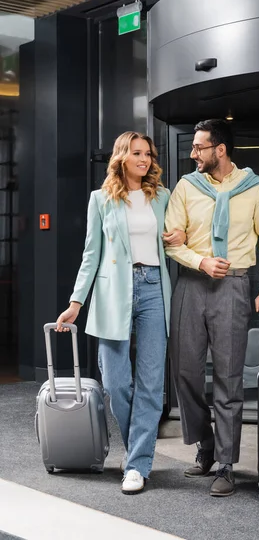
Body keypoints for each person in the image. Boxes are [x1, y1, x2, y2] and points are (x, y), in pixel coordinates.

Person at [55, 131, 185, 495]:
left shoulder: (162, 196)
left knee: (150, 382)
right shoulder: (101, 199)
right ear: (122, 157)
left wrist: (179, 239)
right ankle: (138, 455)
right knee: (115, 383)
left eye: (148, 154)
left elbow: (178, 236)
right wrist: (75, 303)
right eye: (137, 153)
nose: (144, 159)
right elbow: (91, 254)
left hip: (153, 289)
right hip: (114, 291)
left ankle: (137, 466)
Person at [164, 119, 259, 497]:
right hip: (192, 284)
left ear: (220, 150)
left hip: (233, 286)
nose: (192, 153)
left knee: (229, 377)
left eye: (199, 147)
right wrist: (200, 261)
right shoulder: (186, 187)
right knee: (185, 371)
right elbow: (171, 240)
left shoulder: (255, 189)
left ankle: (227, 465)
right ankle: (206, 445)